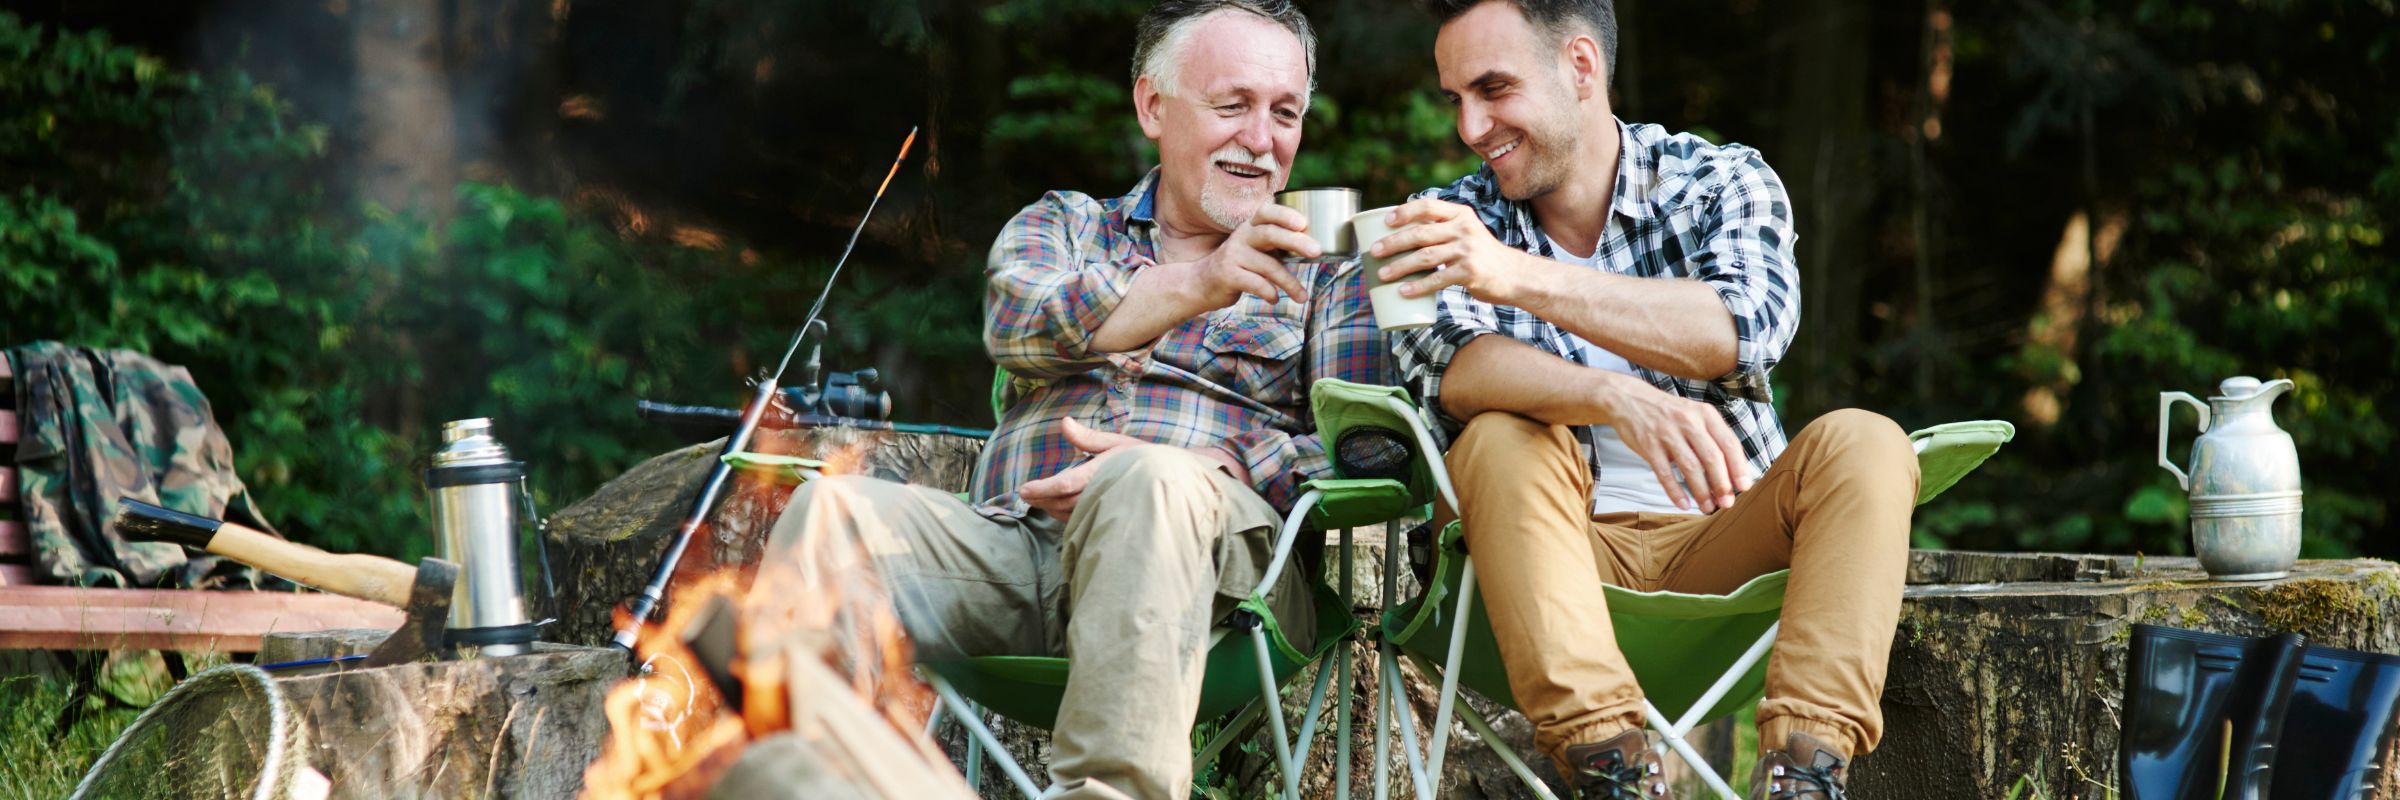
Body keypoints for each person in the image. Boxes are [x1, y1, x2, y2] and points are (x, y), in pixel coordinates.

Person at [762, 2, 1379, 798]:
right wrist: (1203, 279)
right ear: (1153, 106)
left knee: (1148, 483)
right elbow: (1018, 325)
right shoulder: (1065, 224)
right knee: (829, 515)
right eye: (1233, 106)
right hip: (1018, 548)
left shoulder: (1330, 272)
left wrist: (1212, 464)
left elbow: (1366, 446)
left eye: (1284, 113)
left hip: (1224, 578)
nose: (1262, 139)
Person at [1379, 1, 1918, 796]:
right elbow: (1452, 372)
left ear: (1582, 66)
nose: (1470, 125)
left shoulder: (1721, 179)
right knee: (1494, 435)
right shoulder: (1450, 219)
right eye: (1455, 98)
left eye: (1493, 88)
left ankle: (1805, 774)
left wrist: (1515, 275)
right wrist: (1612, 395)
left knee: (1868, 441)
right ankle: (1614, 772)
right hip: (1544, 552)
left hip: (1724, 547)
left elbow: (1741, 326)